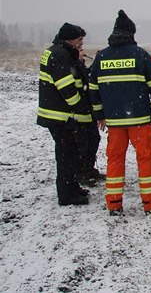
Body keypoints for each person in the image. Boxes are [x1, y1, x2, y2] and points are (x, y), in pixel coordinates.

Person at [89, 10, 151, 216]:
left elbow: (93, 90)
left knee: (115, 160)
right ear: (131, 34)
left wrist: (100, 116)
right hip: (140, 120)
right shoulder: (141, 55)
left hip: (114, 121)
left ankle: (114, 204)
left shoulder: (102, 57)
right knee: (145, 159)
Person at [37, 22, 93, 206]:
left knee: (68, 153)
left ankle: (72, 186)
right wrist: (80, 107)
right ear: (69, 39)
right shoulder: (61, 56)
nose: (80, 44)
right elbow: (67, 87)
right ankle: (67, 194)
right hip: (60, 115)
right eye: (79, 40)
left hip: (55, 113)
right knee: (66, 154)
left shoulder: (55, 51)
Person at [73, 28, 104, 187]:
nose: (82, 51)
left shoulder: (80, 65)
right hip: (80, 113)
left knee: (94, 139)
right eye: (79, 49)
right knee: (84, 143)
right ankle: (82, 172)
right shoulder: (73, 66)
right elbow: (86, 82)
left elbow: (89, 78)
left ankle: (89, 169)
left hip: (88, 111)